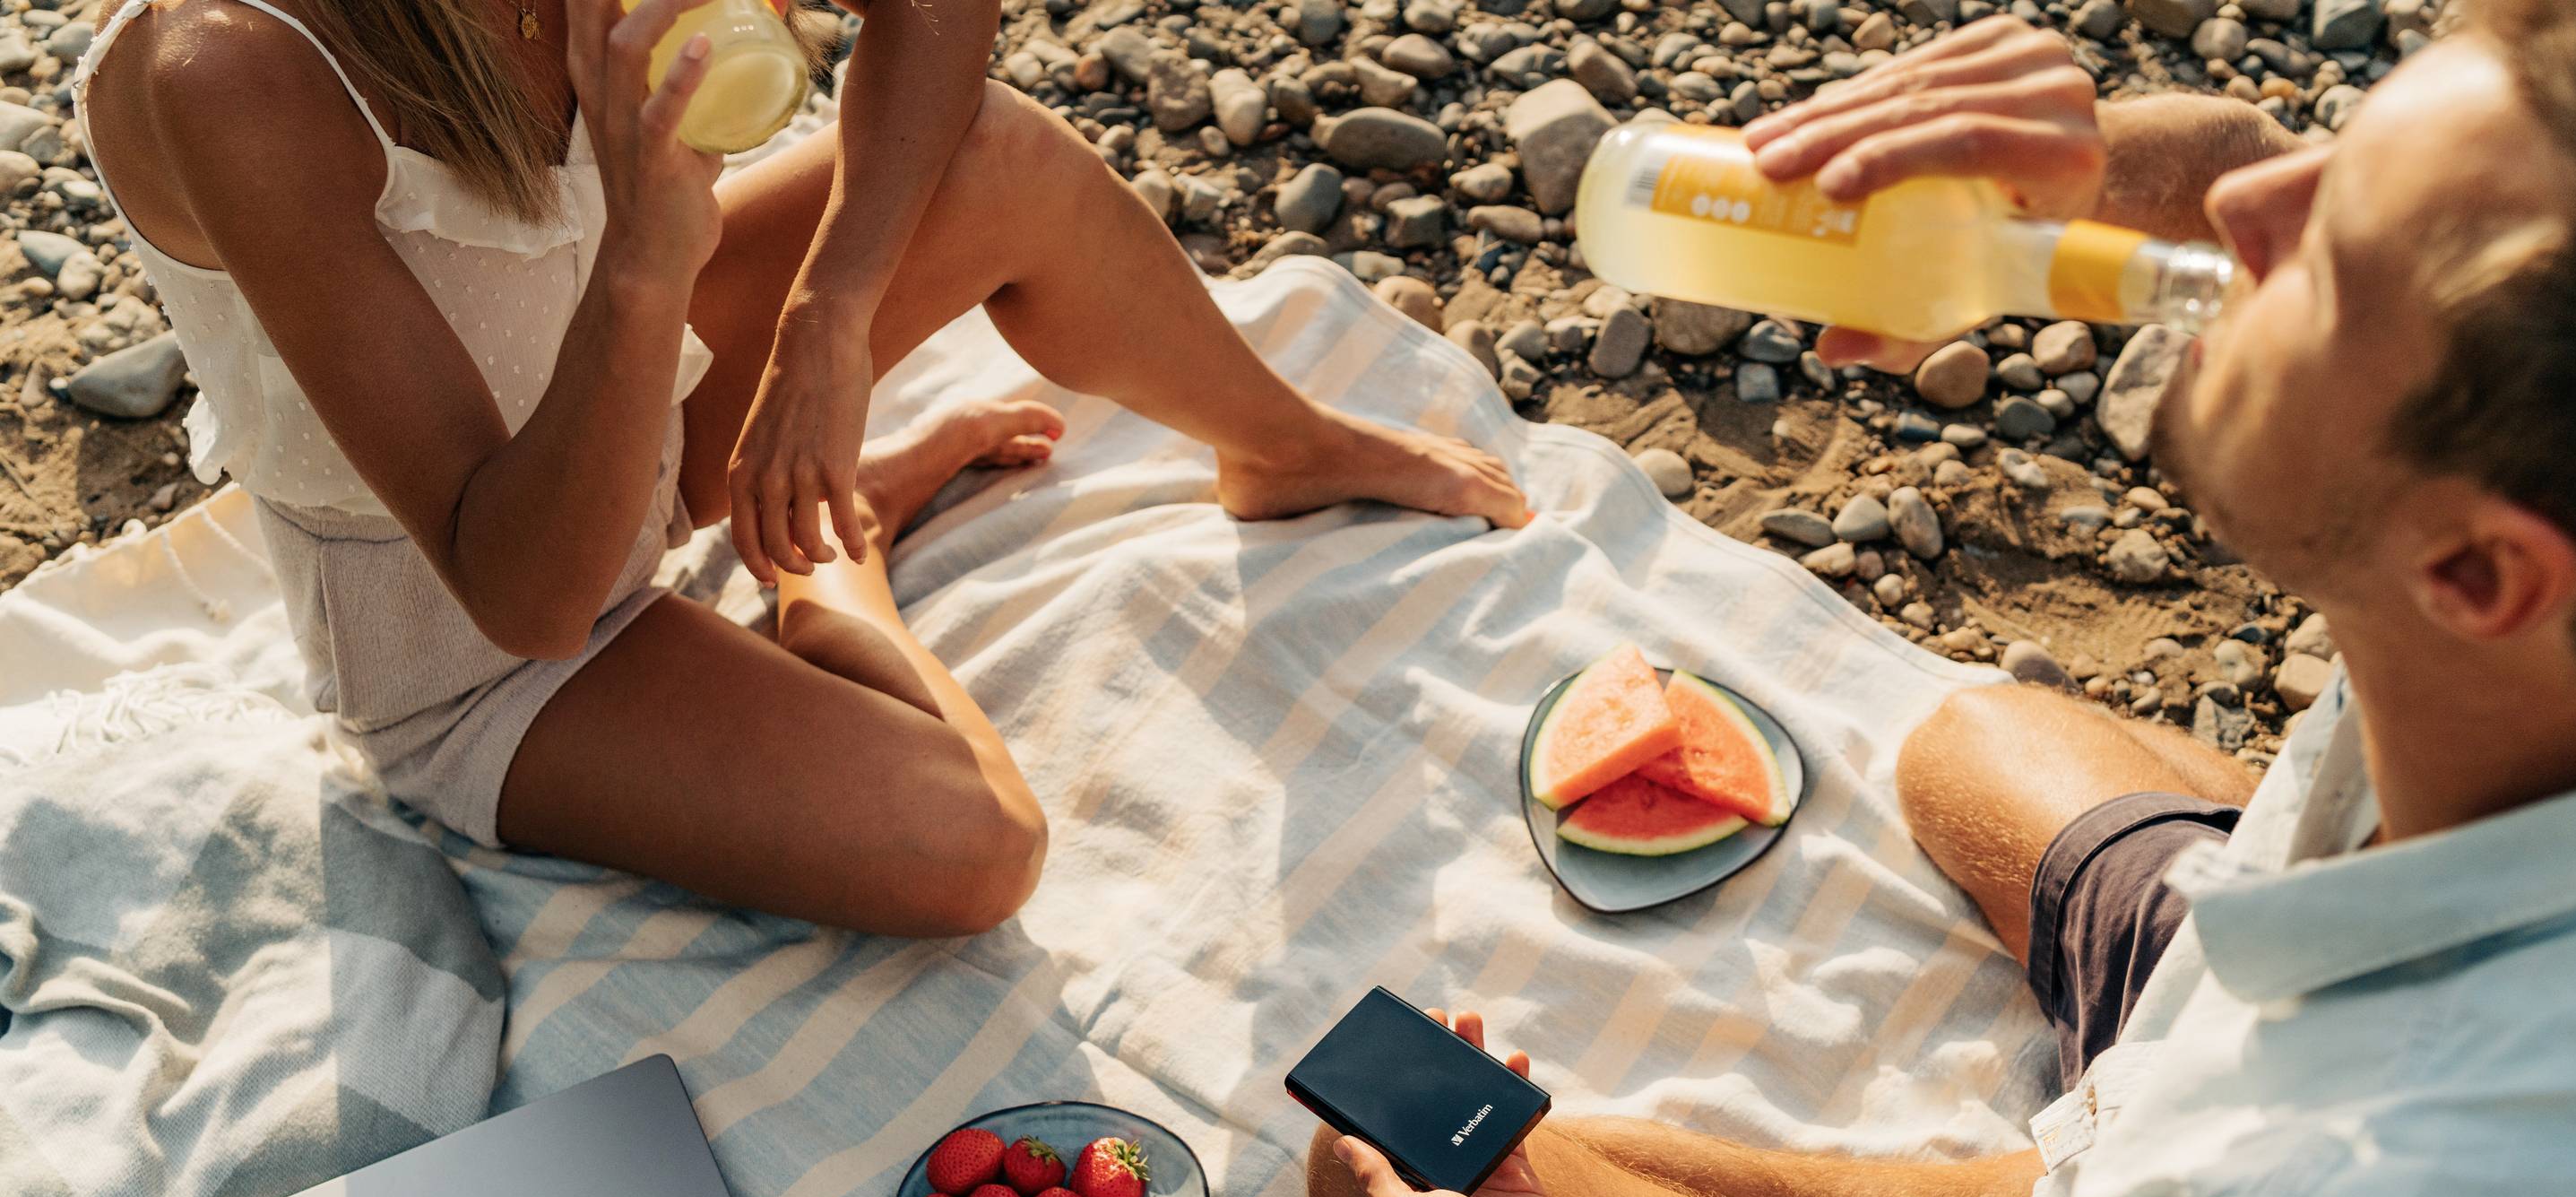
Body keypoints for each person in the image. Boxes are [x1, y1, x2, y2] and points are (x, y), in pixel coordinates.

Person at [1305, 0, 2576, 1197]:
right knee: (1973, 743)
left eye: (2331, 256)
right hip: (2300, 1111)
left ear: (2485, 569)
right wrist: (2098, 166)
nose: (2249, 201)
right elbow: (2247, 204)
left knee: (1378, 1195)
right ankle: (2053, 1192)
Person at [73, 0, 1529, 937]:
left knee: (1000, 161)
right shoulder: (229, 68)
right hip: (477, 624)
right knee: (971, 849)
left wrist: (829, 326)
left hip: (652, 399)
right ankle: (831, 569)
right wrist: (651, 259)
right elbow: (525, 596)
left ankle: (1279, 445)